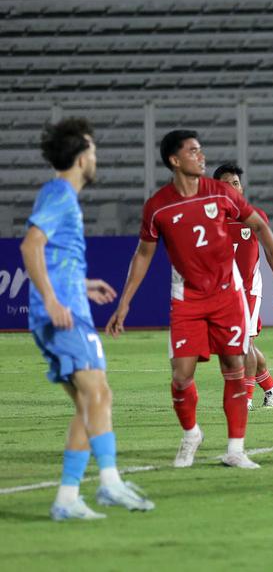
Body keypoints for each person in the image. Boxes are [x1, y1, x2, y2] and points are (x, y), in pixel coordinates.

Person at [105, 130, 273, 470]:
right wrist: (125, 302)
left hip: (228, 295)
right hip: (187, 297)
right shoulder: (158, 206)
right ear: (175, 160)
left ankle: (236, 449)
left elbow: (260, 224)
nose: (201, 156)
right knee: (181, 375)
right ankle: (191, 433)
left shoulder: (221, 193)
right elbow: (143, 255)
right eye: (193, 151)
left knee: (235, 365)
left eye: (201, 149)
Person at [22, 119, 156, 520]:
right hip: (62, 315)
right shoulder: (61, 194)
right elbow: (31, 246)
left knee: (89, 402)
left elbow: (55, 256)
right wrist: (53, 299)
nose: (96, 159)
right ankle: (110, 483)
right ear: (82, 159)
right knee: (98, 393)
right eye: (93, 152)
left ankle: (67, 498)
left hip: (66, 305)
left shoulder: (59, 195)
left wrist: (81, 285)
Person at [213, 163, 273, 412]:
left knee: (245, 344)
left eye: (236, 183)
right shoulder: (211, 220)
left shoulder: (254, 216)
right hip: (222, 292)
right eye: (226, 183)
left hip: (249, 290)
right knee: (236, 345)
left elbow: (271, 252)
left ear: (241, 187)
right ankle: (272, 389)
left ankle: (246, 397)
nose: (232, 187)